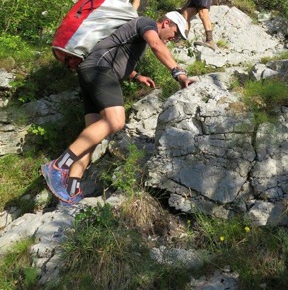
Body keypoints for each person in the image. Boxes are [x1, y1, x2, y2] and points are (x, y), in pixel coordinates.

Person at [41, 11, 194, 206]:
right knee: (116, 120)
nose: (175, 38)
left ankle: (70, 190)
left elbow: (115, 53)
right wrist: (179, 73)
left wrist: (137, 76)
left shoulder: (136, 35)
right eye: (176, 32)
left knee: (92, 136)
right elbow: (157, 45)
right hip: (99, 70)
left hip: (91, 70)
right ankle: (57, 167)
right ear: (165, 23)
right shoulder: (146, 23)